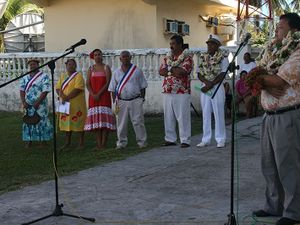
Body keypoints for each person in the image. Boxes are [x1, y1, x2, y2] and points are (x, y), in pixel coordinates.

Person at [252, 13, 300, 225]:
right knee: (269, 165)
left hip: (287, 116)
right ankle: (274, 206)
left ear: (294, 31)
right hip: (269, 115)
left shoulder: (297, 52)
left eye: (281, 27)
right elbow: (262, 75)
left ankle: (293, 212)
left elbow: (279, 81)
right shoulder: (272, 52)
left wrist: (258, 79)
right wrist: (262, 80)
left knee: (288, 166)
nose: (276, 31)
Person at [159, 34, 193, 148]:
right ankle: (170, 139)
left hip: (181, 91)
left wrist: (168, 70)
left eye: (173, 44)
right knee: (168, 116)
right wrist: (172, 71)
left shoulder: (187, 57)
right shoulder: (168, 57)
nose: (171, 46)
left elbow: (182, 72)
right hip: (167, 90)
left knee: (182, 116)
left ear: (179, 44)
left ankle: (185, 140)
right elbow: (161, 71)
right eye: (170, 44)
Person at [108, 51, 148, 149]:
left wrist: (141, 99)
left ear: (130, 58)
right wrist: (115, 102)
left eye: (127, 56)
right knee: (121, 123)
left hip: (135, 100)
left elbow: (143, 86)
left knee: (138, 122)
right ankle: (121, 143)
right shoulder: (116, 72)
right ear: (120, 59)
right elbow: (113, 89)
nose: (125, 58)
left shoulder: (137, 71)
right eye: (123, 57)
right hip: (121, 101)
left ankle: (142, 142)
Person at [196, 34, 229, 148]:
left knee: (218, 113)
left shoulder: (223, 57)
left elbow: (223, 73)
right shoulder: (202, 56)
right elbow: (199, 73)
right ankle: (206, 139)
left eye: (212, 44)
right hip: (205, 86)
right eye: (208, 43)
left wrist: (211, 84)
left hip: (217, 87)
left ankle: (220, 139)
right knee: (205, 113)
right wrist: (206, 82)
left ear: (217, 46)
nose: (209, 45)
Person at [84, 49, 115, 149]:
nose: (97, 56)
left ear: (102, 56)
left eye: (99, 54)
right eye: (96, 55)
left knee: (104, 120)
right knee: (96, 120)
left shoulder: (106, 67)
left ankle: (104, 144)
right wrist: (93, 94)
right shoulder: (91, 68)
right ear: (93, 57)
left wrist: (99, 93)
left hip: (104, 96)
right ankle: (98, 144)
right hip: (93, 97)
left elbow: (108, 82)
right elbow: (87, 83)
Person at [20, 59, 52, 148]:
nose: (32, 66)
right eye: (30, 65)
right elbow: (21, 90)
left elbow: (45, 90)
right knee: (28, 121)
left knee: (41, 121)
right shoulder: (25, 78)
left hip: (40, 104)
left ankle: (42, 141)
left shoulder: (44, 76)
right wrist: (23, 102)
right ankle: (29, 140)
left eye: (34, 64)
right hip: (27, 104)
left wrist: (38, 102)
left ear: (38, 65)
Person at [56, 59, 87, 150]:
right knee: (66, 123)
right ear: (66, 66)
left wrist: (66, 97)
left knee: (78, 122)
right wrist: (62, 96)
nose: (71, 66)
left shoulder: (78, 76)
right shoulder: (63, 76)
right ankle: (67, 142)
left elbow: (78, 89)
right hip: (65, 103)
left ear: (75, 66)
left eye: (73, 64)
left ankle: (81, 143)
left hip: (76, 104)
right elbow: (58, 88)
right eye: (69, 64)